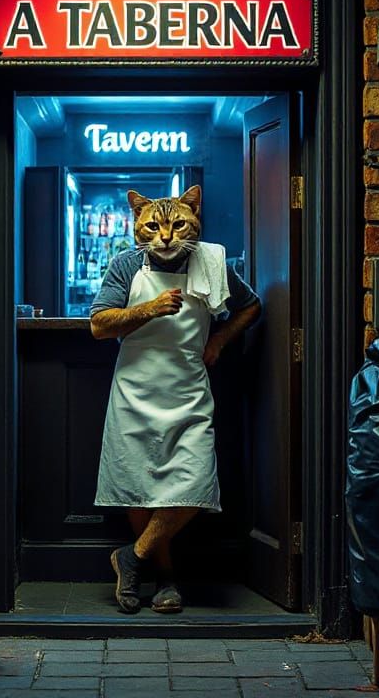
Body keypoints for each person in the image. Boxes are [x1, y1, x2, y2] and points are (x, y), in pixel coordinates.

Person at [90, 185, 261, 614]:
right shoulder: (126, 263)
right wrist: (148, 309)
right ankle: (164, 579)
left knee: (196, 482)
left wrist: (219, 340)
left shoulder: (213, 261)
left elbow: (250, 306)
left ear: (194, 217)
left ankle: (131, 557)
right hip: (135, 391)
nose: (165, 235)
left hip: (188, 389)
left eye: (177, 224)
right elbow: (98, 325)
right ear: (138, 224)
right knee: (139, 486)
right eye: (153, 226)